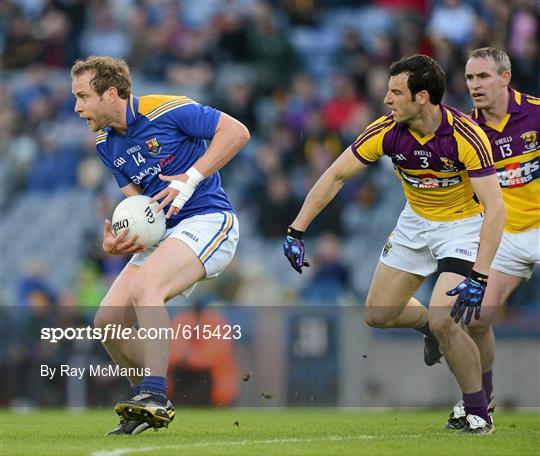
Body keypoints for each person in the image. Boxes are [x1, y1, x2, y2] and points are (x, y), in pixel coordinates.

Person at [283, 55, 505, 434]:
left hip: (462, 228)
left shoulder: (466, 136)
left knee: (445, 318)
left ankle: (477, 411)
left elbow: (496, 209)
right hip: (415, 223)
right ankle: (428, 329)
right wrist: (296, 229)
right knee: (378, 315)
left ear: (421, 97)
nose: (386, 98)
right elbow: (336, 175)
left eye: (395, 91)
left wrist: (481, 276)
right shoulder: (386, 130)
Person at [71, 56, 249, 435]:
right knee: (108, 323)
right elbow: (140, 208)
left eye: (83, 96)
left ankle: (154, 392)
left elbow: (237, 132)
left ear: (112, 94)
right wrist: (122, 240)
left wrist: (191, 176)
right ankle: (146, 405)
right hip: (167, 233)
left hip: (209, 219)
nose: (77, 107)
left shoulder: (167, 108)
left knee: (145, 287)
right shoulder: (105, 144)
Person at [445, 47, 539, 430]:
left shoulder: (536, 111)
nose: (475, 85)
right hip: (505, 236)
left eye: (483, 76)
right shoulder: (469, 130)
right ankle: (482, 400)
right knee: (477, 319)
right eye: (469, 78)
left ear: (505, 77)